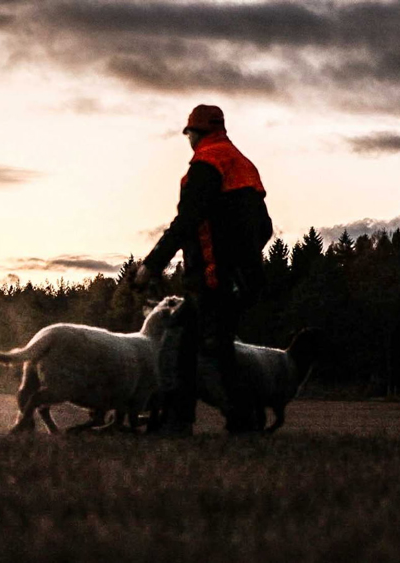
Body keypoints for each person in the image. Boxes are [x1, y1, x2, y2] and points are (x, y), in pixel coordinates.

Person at [134, 104, 272, 434]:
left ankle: (243, 419)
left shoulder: (206, 164)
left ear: (196, 133)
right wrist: (245, 263)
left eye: (189, 134)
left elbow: (188, 221)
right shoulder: (242, 165)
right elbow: (264, 227)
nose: (189, 140)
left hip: (213, 278)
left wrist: (151, 265)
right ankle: (176, 420)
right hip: (238, 278)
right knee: (180, 343)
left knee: (210, 354)